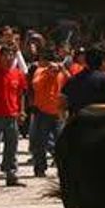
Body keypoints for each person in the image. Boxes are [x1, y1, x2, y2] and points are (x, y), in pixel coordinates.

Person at [0, 42, 28, 187]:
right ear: (0, 57)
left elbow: (21, 94)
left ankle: (11, 174)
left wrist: (22, 111)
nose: (9, 58)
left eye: (12, 55)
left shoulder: (18, 74)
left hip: (12, 115)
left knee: (12, 146)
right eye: (6, 55)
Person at [60, 43, 105, 118]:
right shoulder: (104, 80)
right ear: (103, 62)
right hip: (98, 127)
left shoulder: (73, 80)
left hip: (77, 126)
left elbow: (61, 104)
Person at [29, 47, 67, 177]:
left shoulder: (62, 73)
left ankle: (62, 167)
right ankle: (40, 168)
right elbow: (35, 85)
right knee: (41, 142)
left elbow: (72, 83)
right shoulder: (40, 71)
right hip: (43, 112)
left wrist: (63, 70)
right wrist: (47, 73)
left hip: (58, 113)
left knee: (61, 142)